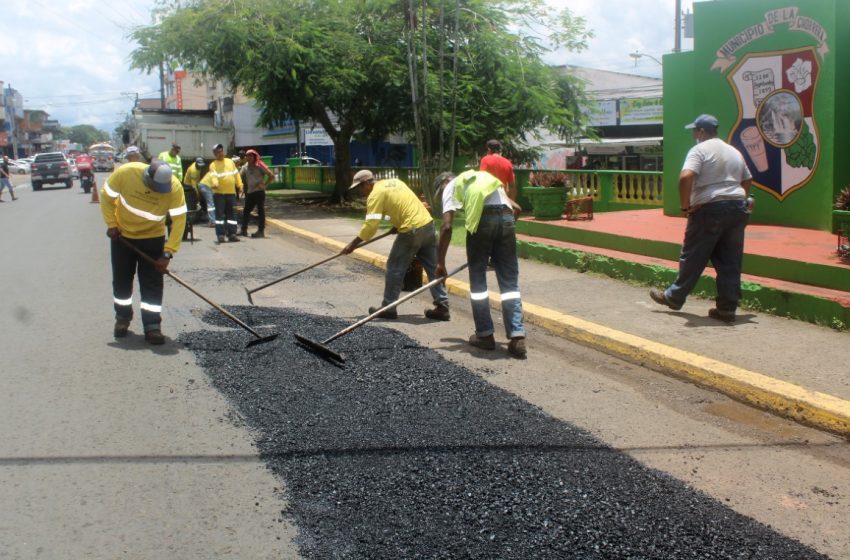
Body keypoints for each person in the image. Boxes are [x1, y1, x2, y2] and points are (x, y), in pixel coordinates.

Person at [649, 114, 753, 323]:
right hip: (737, 208)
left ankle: (674, 297)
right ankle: (727, 308)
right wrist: (738, 198)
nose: (694, 134)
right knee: (730, 260)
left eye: (695, 131)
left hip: (709, 208)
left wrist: (685, 206)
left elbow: (686, 177)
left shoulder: (699, 150)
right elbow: (747, 179)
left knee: (693, 255)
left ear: (702, 132)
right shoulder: (734, 151)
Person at [435, 169, 526, 358]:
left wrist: (440, 263)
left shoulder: (450, 186)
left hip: (482, 221)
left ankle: (485, 335)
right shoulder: (481, 177)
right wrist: (498, 245)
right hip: (506, 217)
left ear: (444, 183)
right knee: (510, 285)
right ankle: (517, 337)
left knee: (479, 286)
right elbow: (516, 208)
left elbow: (447, 226)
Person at [343, 169, 450, 321]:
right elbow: (401, 206)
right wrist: (397, 225)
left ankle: (389, 307)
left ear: (367, 183)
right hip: (427, 226)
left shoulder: (375, 195)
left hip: (411, 231)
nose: (361, 192)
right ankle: (443, 306)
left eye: (360, 187)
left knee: (395, 267)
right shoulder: (394, 183)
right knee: (433, 268)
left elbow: (371, 225)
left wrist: (353, 244)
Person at [100, 160, 187, 345]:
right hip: (123, 237)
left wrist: (167, 253)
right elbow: (106, 197)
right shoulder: (126, 173)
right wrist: (111, 224)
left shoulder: (174, 187)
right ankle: (122, 318)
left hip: (153, 239)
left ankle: (152, 326)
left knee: (152, 284)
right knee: (122, 280)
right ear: (147, 177)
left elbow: (179, 220)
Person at [208, 143, 243, 243]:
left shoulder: (230, 162)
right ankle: (220, 235)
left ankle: (232, 234)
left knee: (232, 215)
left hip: (231, 194)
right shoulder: (213, 165)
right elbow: (213, 177)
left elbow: (236, 175)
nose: (220, 153)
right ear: (214, 154)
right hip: (219, 194)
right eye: (218, 152)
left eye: (221, 151)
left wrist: (240, 185)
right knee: (220, 216)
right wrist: (215, 183)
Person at [239, 149, 274, 238]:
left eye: (251, 156)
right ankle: (243, 230)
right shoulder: (245, 167)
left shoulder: (260, 165)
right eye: (248, 156)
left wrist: (265, 185)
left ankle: (261, 231)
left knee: (260, 211)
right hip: (250, 192)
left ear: (255, 156)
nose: (249, 158)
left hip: (259, 192)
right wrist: (240, 186)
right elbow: (238, 176)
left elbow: (271, 175)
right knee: (246, 211)